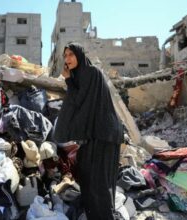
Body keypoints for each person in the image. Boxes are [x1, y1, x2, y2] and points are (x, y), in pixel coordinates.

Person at [54, 42, 124, 220]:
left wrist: (68, 80)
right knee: (86, 175)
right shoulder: (80, 76)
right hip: (93, 135)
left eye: (71, 54)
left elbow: (78, 101)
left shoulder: (91, 73)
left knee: (99, 182)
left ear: (80, 55)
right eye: (65, 56)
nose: (67, 59)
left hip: (104, 134)